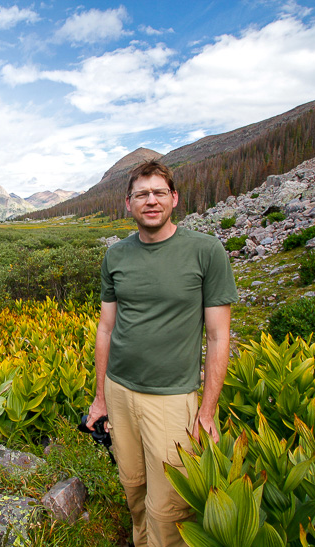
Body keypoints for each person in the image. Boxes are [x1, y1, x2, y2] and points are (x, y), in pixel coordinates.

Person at [85, 160, 237, 547]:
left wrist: (206, 412)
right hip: (119, 392)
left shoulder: (206, 251)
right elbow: (106, 328)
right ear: (128, 203)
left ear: (174, 198)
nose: (150, 201)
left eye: (158, 192)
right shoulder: (116, 256)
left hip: (172, 398)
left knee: (169, 508)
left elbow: (218, 337)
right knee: (133, 486)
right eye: (141, 194)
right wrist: (101, 398)